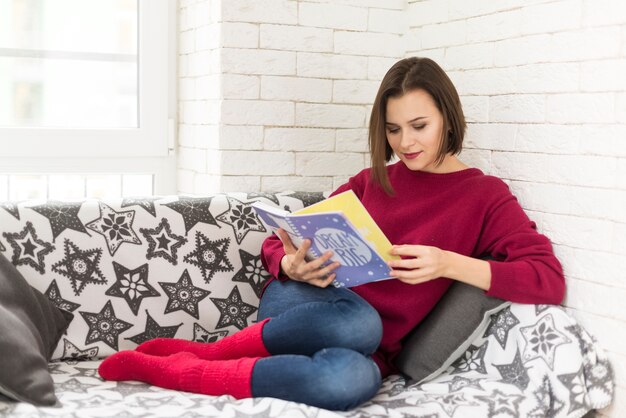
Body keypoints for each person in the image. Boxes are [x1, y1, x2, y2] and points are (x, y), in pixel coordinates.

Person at [98, 57, 565, 411]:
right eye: (394, 130)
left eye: (419, 126)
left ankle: (192, 369)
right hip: (302, 306)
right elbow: (281, 237)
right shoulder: (371, 181)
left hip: (373, 347)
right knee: (358, 321)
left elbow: (546, 276)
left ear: (448, 117)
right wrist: (289, 262)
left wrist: (448, 263)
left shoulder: (483, 195)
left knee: (348, 385)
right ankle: (207, 354)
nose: (406, 143)